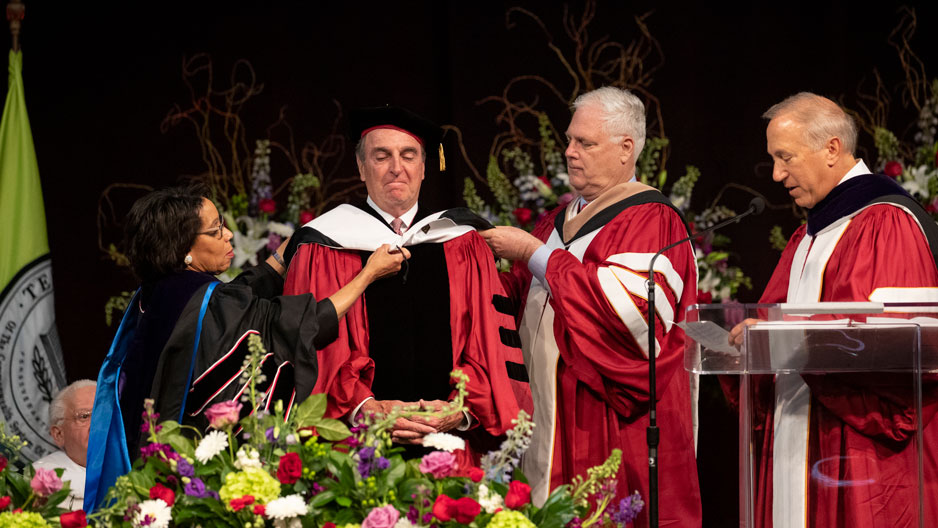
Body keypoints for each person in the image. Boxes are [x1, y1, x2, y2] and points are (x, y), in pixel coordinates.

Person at [85, 184, 407, 512]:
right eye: (215, 230)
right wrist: (367, 275)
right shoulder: (208, 302)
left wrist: (292, 245)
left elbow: (243, 288)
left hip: (149, 470)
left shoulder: (157, 293)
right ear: (185, 248)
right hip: (197, 481)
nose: (228, 235)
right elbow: (294, 324)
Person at [480, 86, 702, 525]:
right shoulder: (555, 221)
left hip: (604, 421)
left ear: (625, 149)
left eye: (585, 142)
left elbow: (629, 318)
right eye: (569, 140)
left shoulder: (651, 220)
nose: (569, 152)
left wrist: (534, 253)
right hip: (542, 413)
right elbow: (524, 300)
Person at [728, 92, 938, 528]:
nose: (776, 174)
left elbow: (889, 345)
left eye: (785, 157)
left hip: (855, 454)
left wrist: (783, 339)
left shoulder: (885, 222)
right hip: (802, 434)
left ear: (832, 149)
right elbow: (774, 321)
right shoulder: (811, 235)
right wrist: (750, 338)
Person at [283, 106, 531, 462]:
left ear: (424, 166)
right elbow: (315, 351)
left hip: (449, 449)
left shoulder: (463, 243)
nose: (396, 167)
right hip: (356, 453)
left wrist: (461, 410)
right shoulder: (324, 246)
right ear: (361, 167)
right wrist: (364, 408)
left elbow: (489, 342)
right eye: (381, 156)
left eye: (408, 155)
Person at [33, 380, 96, 510]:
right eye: (84, 416)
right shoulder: (38, 485)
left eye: (102, 414)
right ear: (59, 434)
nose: (96, 423)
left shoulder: (134, 473)